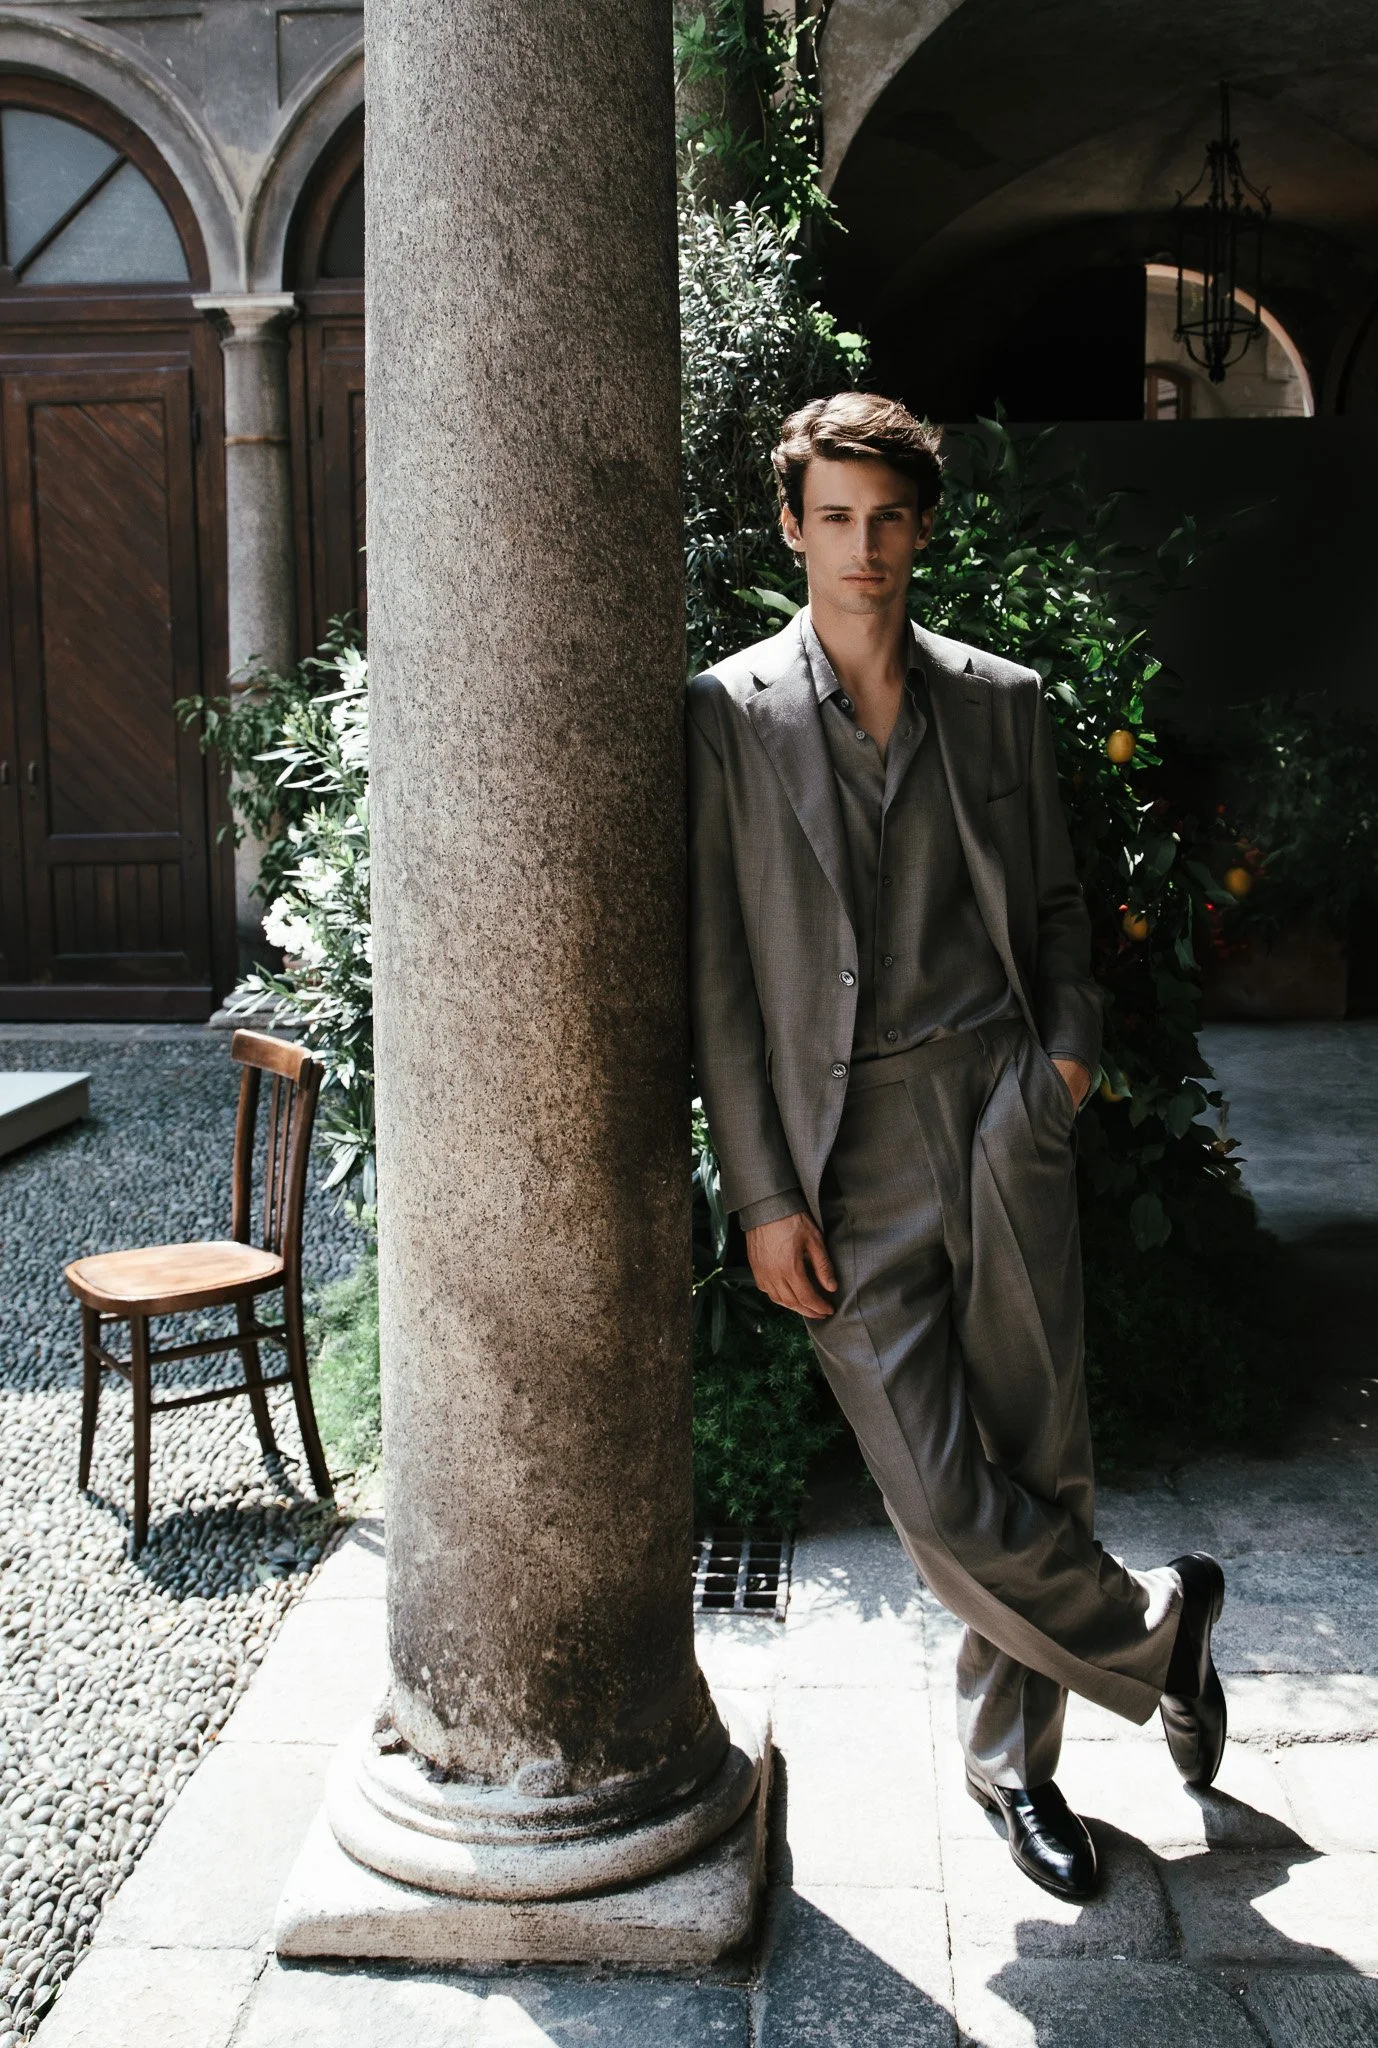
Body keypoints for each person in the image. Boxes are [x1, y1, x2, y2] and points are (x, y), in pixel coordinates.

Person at [686, 391, 1226, 1902]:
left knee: (1034, 1458)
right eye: (835, 519)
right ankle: (1164, 1630)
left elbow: (1056, 909)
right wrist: (763, 1189)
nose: (863, 548)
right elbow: (722, 978)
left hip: (997, 1112)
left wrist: (1059, 1064)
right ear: (793, 527)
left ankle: (1015, 1773)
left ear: (920, 530)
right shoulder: (724, 714)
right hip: (839, 1152)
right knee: (934, 1496)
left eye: (890, 519)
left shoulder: (998, 699)